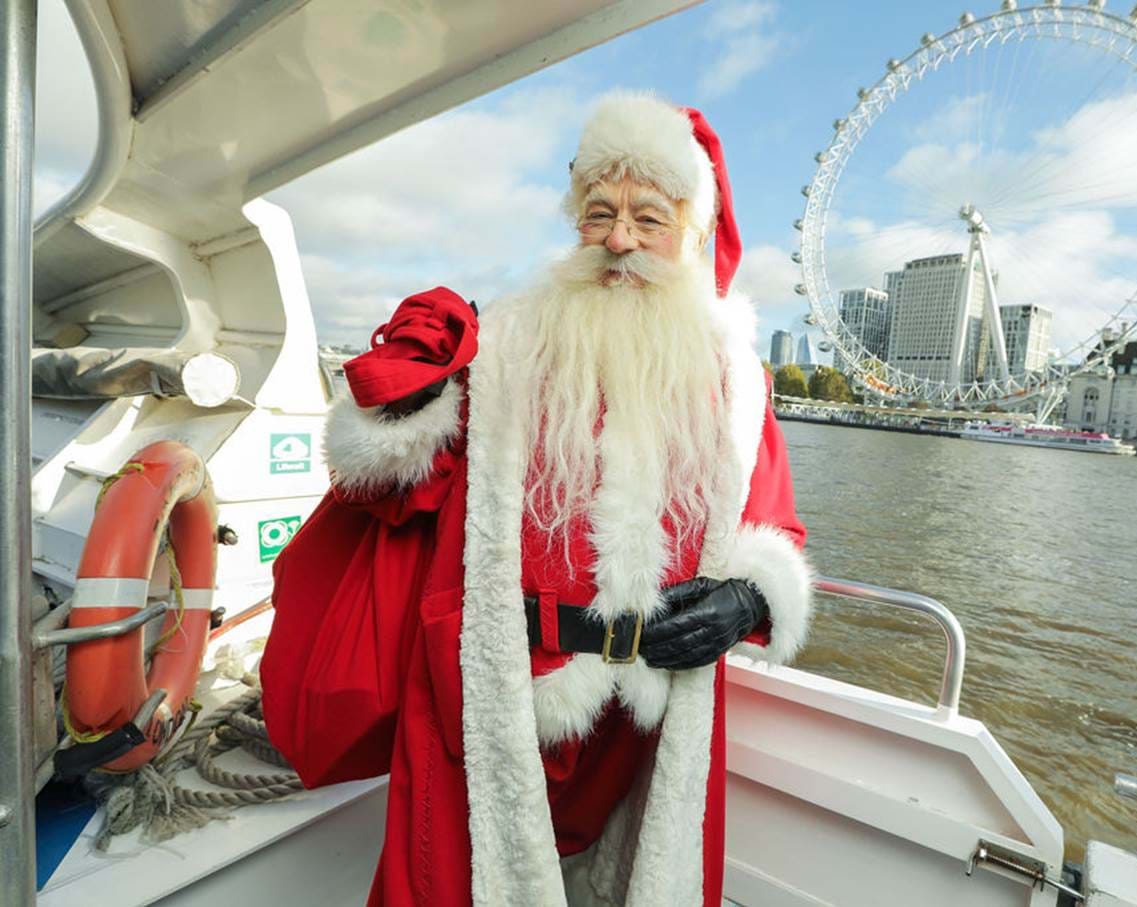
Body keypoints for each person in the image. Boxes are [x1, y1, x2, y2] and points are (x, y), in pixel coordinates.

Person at [261, 92, 813, 907]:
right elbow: (389, 487)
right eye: (599, 213)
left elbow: (774, 527)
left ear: (692, 232)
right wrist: (407, 400)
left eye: (649, 218)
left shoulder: (735, 380)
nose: (620, 239)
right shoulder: (508, 343)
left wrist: (748, 596)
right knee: (467, 876)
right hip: (506, 691)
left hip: (648, 715)